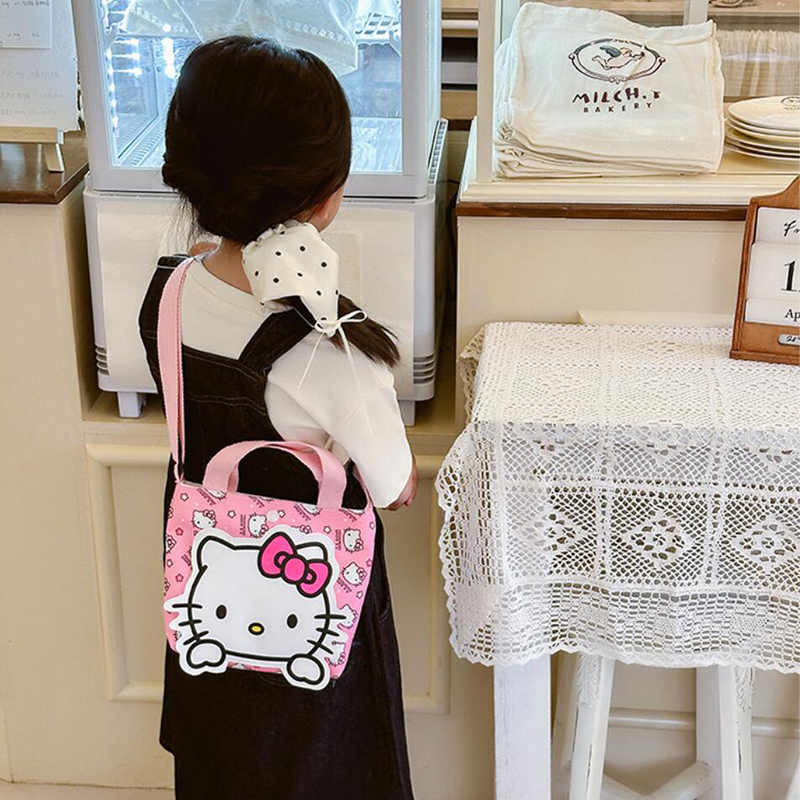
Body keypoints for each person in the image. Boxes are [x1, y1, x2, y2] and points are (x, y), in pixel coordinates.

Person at [137, 36, 416, 799]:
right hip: (307, 605)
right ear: (325, 194)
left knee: (222, 761)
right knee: (324, 767)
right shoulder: (329, 348)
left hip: (206, 584)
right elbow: (392, 483)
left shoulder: (169, 291)